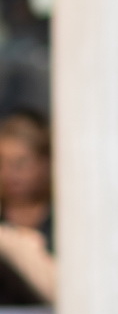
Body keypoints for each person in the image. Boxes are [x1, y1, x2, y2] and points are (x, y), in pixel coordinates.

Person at [0, 110, 55, 303]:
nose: (10, 173)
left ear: (46, 164)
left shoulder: (64, 221)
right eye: (2, 163)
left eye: (20, 163)